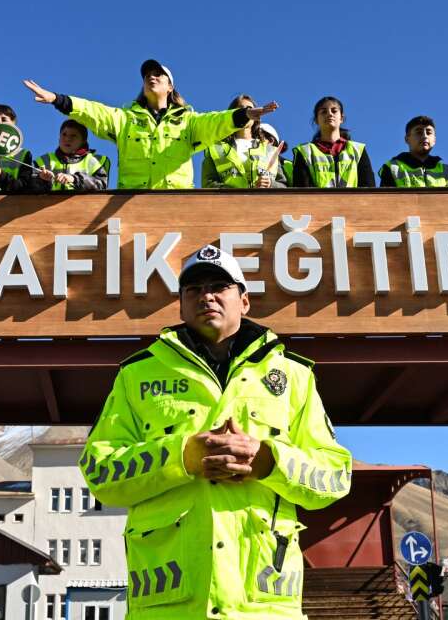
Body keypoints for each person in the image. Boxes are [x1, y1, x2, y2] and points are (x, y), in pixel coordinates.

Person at [81, 245, 351, 619]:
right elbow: (99, 470)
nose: (205, 296)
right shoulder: (137, 375)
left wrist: (268, 461)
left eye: (219, 287)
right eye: (193, 290)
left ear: (243, 301)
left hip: (263, 608)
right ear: (180, 305)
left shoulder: (294, 376)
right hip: (166, 608)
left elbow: (335, 476)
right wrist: (182, 457)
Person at [22, 59, 278, 189]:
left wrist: (246, 114)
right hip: (132, 205)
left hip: (175, 206)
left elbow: (216, 123)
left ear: (170, 86)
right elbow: (94, 112)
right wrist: (58, 99)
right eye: (147, 75)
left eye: (159, 74)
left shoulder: (188, 122)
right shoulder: (125, 119)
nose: (151, 77)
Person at [201, 95, 287, 188]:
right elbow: (208, 184)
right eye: (242, 109)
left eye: (250, 109)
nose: (247, 112)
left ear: (256, 117)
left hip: (264, 202)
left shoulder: (270, 150)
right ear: (231, 115)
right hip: (230, 202)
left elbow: (284, 186)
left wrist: (270, 184)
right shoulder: (216, 149)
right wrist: (237, 195)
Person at [291, 96, 376, 188]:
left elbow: (368, 188)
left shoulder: (358, 150)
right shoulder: (305, 152)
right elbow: (301, 190)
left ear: (341, 118)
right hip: (317, 202)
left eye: (334, 111)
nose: (329, 114)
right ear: (316, 120)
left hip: (353, 202)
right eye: (323, 112)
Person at [379, 115, 448, 187]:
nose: (425, 136)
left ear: (434, 140)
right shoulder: (392, 168)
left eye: (428, 132)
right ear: (407, 139)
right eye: (419, 132)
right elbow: (385, 201)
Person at [33, 119, 111, 192]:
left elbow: (101, 185)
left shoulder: (94, 161)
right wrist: (41, 179)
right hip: (47, 206)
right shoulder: (43, 160)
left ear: (83, 141)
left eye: (73, 135)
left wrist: (74, 179)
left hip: (82, 206)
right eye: (64, 134)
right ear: (59, 138)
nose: (67, 139)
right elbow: (28, 185)